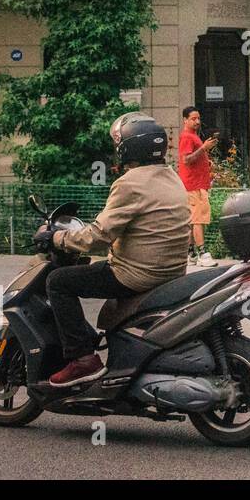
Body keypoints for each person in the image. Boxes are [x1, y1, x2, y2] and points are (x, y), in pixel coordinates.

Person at [41, 113, 192, 387]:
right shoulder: (172, 177)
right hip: (170, 272)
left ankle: (83, 359)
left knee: (58, 281)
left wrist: (58, 239)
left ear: (128, 148)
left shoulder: (131, 182)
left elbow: (99, 235)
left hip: (135, 274)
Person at [177, 106, 217, 268]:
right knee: (198, 220)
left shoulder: (192, 136)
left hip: (195, 184)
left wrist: (205, 161)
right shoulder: (187, 137)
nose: (197, 122)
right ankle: (203, 254)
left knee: (194, 220)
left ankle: (191, 253)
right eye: (193, 119)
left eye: (198, 118)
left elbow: (191, 159)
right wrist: (204, 148)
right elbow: (186, 159)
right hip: (193, 185)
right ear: (185, 120)